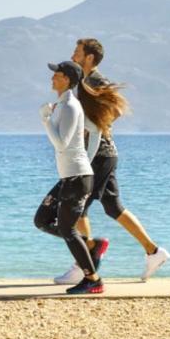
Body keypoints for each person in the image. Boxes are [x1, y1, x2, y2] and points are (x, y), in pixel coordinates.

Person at [53, 38, 170, 284]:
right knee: (113, 207)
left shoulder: (94, 80)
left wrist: (94, 129)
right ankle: (153, 252)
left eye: (78, 51)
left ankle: (85, 261)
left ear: (89, 57)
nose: (73, 53)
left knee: (78, 207)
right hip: (102, 154)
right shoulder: (82, 82)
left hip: (99, 154)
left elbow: (115, 109)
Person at [33, 60, 105, 294]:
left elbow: (61, 143)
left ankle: (93, 279)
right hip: (70, 177)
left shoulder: (71, 106)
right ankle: (90, 246)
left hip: (77, 177)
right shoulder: (62, 105)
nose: (52, 77)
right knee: (42, 220)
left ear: (67, 79)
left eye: (57, 74)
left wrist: (45, 120)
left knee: (67, 229)